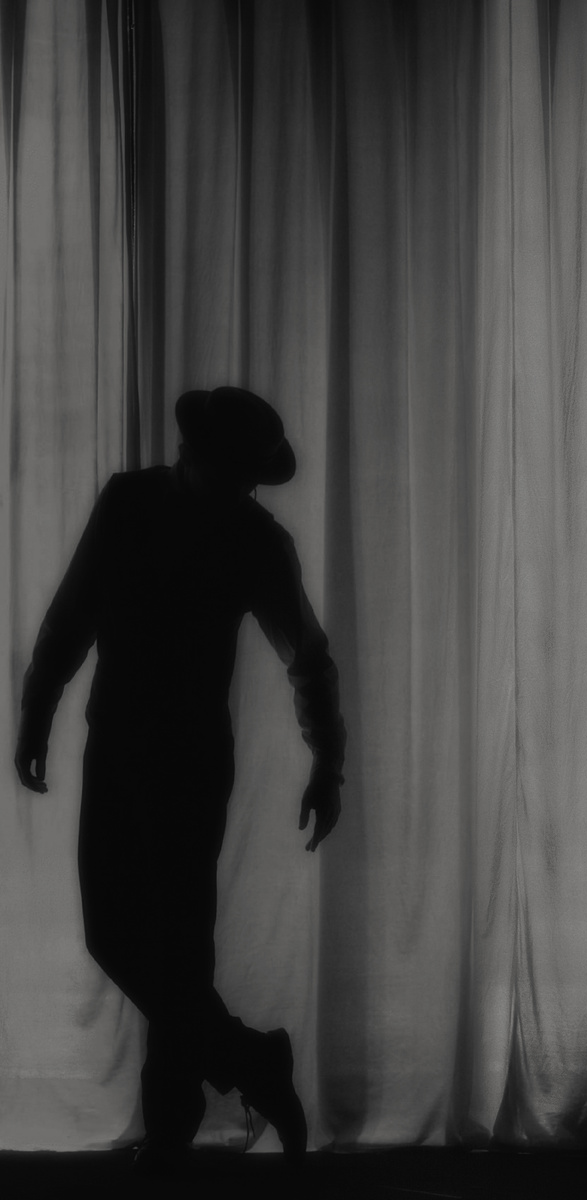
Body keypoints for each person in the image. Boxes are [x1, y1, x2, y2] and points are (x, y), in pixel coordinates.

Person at [14, 387, 346, 1175]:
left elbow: (307, 657)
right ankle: (248, 1060)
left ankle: (172, 1129)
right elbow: (73, 613)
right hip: (123, 743)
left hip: (189, 756)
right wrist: (37, 710)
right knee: (119, 935)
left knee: (177, 947)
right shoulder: (131, 502)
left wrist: (327, 762)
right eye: (233, 470)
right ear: (198, 455)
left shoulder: (254, 539)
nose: (241, 486)